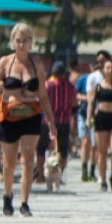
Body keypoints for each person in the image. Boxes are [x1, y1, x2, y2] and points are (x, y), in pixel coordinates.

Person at [0, 23, 55, 217]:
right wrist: (1, 86)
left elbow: (43, 95)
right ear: (12, 41)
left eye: (25, 40)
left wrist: (51, 121)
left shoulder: (36, 65)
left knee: (28, 159)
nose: (21, 44)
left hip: (31, 114)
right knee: (8, 162)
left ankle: (24, 202)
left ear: (31, 43)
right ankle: (7, 195)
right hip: (9, 114)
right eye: (18, 40)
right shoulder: (5, 62)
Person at [87, 51, 112, 191]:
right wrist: (88, 118)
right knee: (102, 151)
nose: (110, 70)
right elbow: (91, 103)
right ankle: (102, 179)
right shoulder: (98, 86)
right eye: (107, 68)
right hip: (101, 118)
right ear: (103, 70)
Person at [43, 61, 79, 191]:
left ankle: (42, 175)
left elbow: (41, 102)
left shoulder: (47, 85)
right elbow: (74, 104)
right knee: (62, 151)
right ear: (64, 73)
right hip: (64, 121)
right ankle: (59, 173)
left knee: (43, 148)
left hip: (47, 120)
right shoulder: (71, 87)